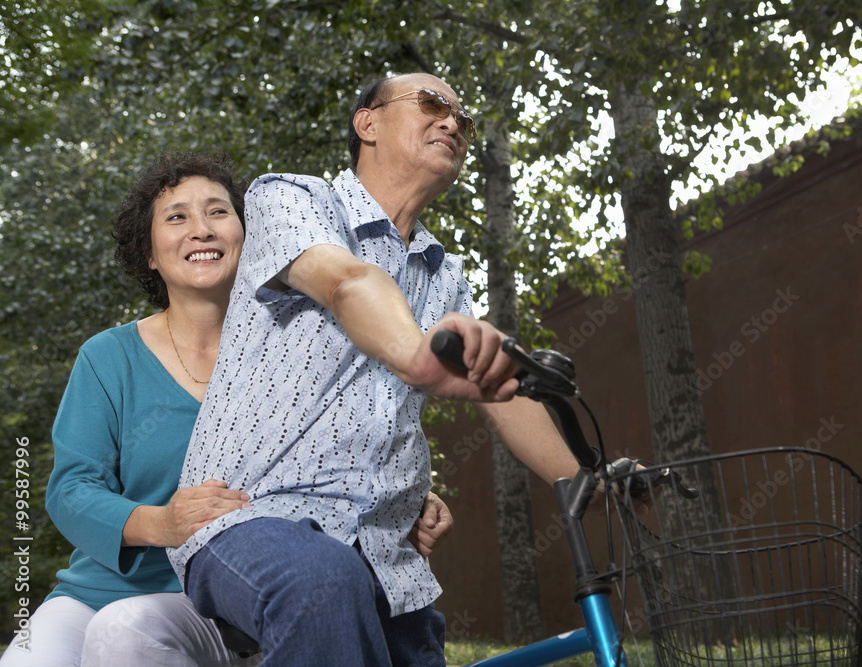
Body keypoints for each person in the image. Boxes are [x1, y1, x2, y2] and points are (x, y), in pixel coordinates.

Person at [168, 73, 580, 666]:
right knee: (324, 583)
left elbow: (502, 394)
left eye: (463, 119)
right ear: (367, 123)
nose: (452, 124)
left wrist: (588, 482)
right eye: (433, 105)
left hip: (388, 553)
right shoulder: (291, 199)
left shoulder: (445, 275)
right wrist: (420, 358)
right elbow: (346, 282)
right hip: (252, 518)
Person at [0, 153, 454, 667]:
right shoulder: (108, 357)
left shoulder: (299, 343)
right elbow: (71, 490)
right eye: (176, 217)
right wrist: (161, 523)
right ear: (149, 253)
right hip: (99, 592)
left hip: (223, 604)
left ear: (251, 234)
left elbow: (349, 436)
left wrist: (408, 496)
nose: (201, 230)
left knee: (128, 633)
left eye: (218, 212)